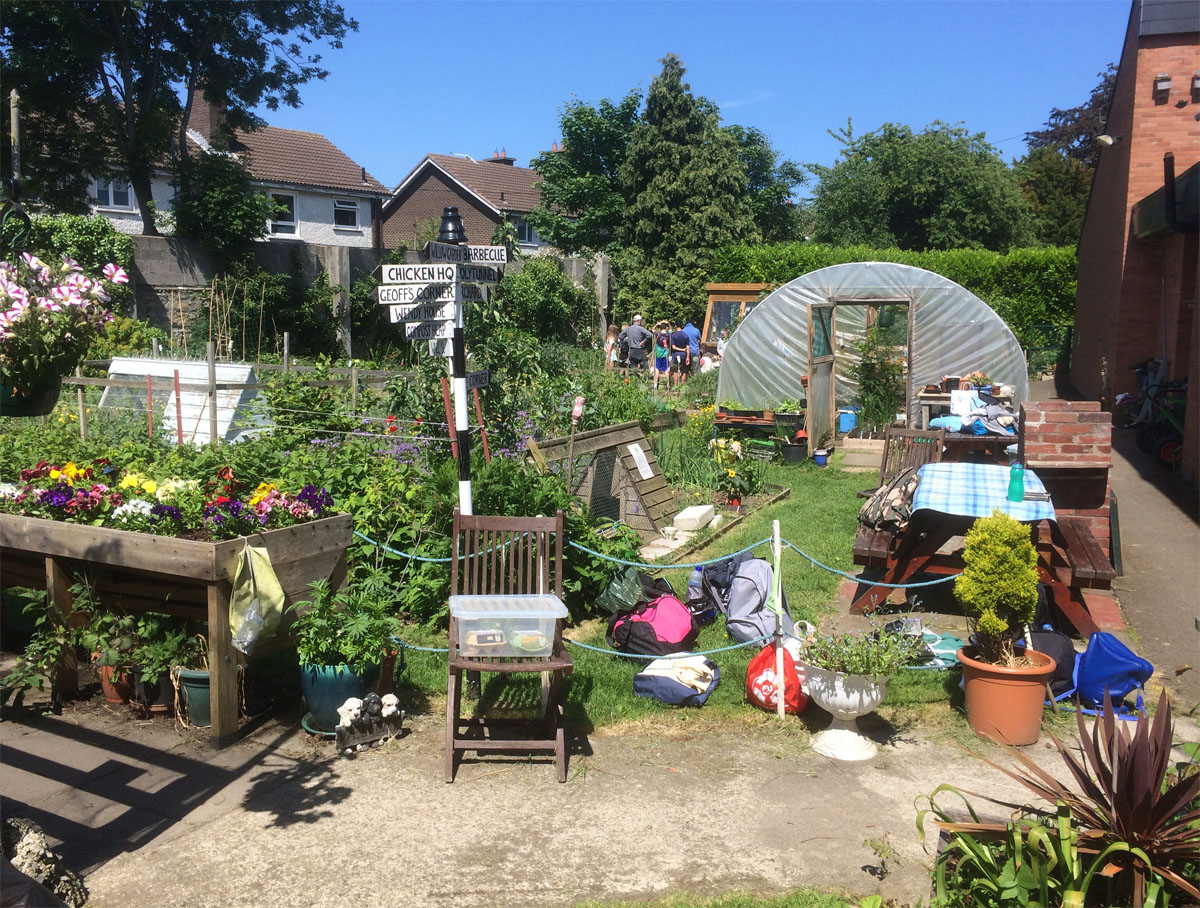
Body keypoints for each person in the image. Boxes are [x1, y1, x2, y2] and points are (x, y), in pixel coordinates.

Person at [669, 321, 691, 389]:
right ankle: (683, 386)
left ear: (676, 326)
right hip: (684, 355)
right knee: (684, 371)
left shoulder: (673, 335)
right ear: (682, 327)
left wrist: (680, 349)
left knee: (675, 370)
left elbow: (673, 347)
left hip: (675, 355)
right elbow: (688, 348)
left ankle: (676, 386)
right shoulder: (686, 336)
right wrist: (688, 357)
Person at [652, 322, 670, 390]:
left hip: (658, 353)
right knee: (666, 369)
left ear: (659, 328)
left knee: (657, 368)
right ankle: (668, 384)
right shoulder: (668, 334)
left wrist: (656, 324)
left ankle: (655, 384)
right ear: (666, 328)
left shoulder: (658, 334)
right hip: (665, 353)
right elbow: (671, 329)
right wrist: (668, 324)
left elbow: (653, 329)